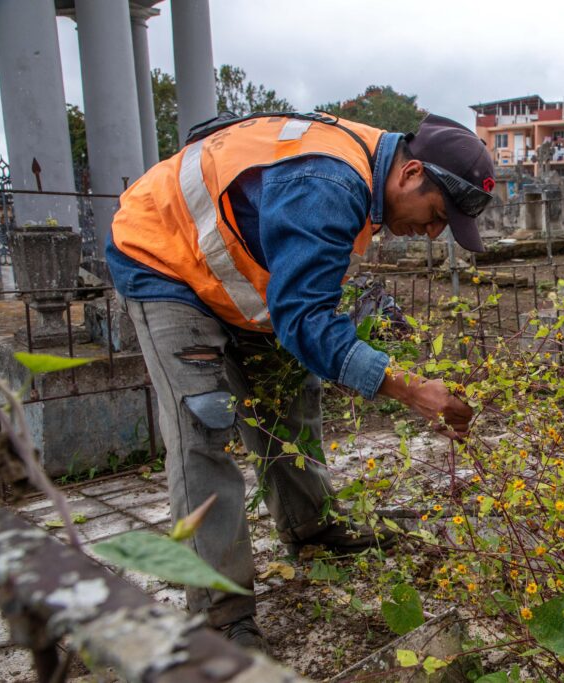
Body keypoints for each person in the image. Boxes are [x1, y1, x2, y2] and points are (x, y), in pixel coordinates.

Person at [106, 112, 495, 650]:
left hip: (236, 271)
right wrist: (407, 387)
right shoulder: (328, 183)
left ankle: (311, 530)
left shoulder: (358, 176)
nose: (432, 233)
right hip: (164, 259)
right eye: (435, 215)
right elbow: (307, 320)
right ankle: (220, 616)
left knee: (289, 396)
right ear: (409, 175)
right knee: (203, 424)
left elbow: (301, 312)